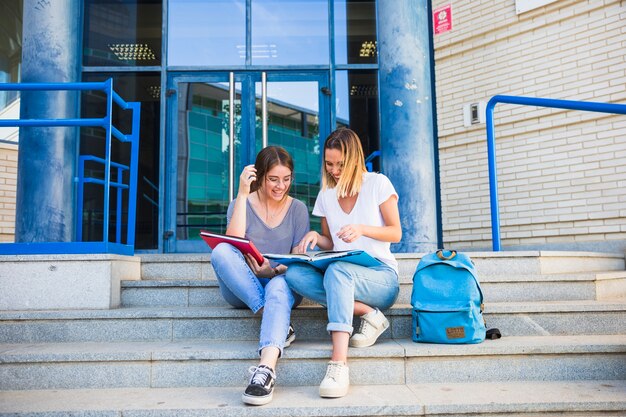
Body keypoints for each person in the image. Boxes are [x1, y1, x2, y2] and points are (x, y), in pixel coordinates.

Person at [284, 128, 401, 398]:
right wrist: (315, 236)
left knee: (337, 272)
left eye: (340, 164)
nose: (334, 170)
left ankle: (338, 364)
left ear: (355, 159)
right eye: (329, 163)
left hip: (380, 277)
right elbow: (331, 242)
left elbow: (396, 232)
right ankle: (367, 314)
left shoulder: (378, 183)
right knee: (294, 274)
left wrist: (363, 229)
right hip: (343, 273)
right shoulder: (326, 195)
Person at [209, 146, 309, 406]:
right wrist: (243, 195)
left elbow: (300, 259)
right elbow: (232, 242)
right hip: (243, 287)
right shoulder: (241, 203)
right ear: (260, 176)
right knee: (220, 251)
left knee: (277, 285)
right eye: (273, 179)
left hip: (281, 283)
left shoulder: (297, 209)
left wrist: (273, 271)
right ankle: (273, 317)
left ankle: (265, 370)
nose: (280, 186)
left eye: (286, 179)